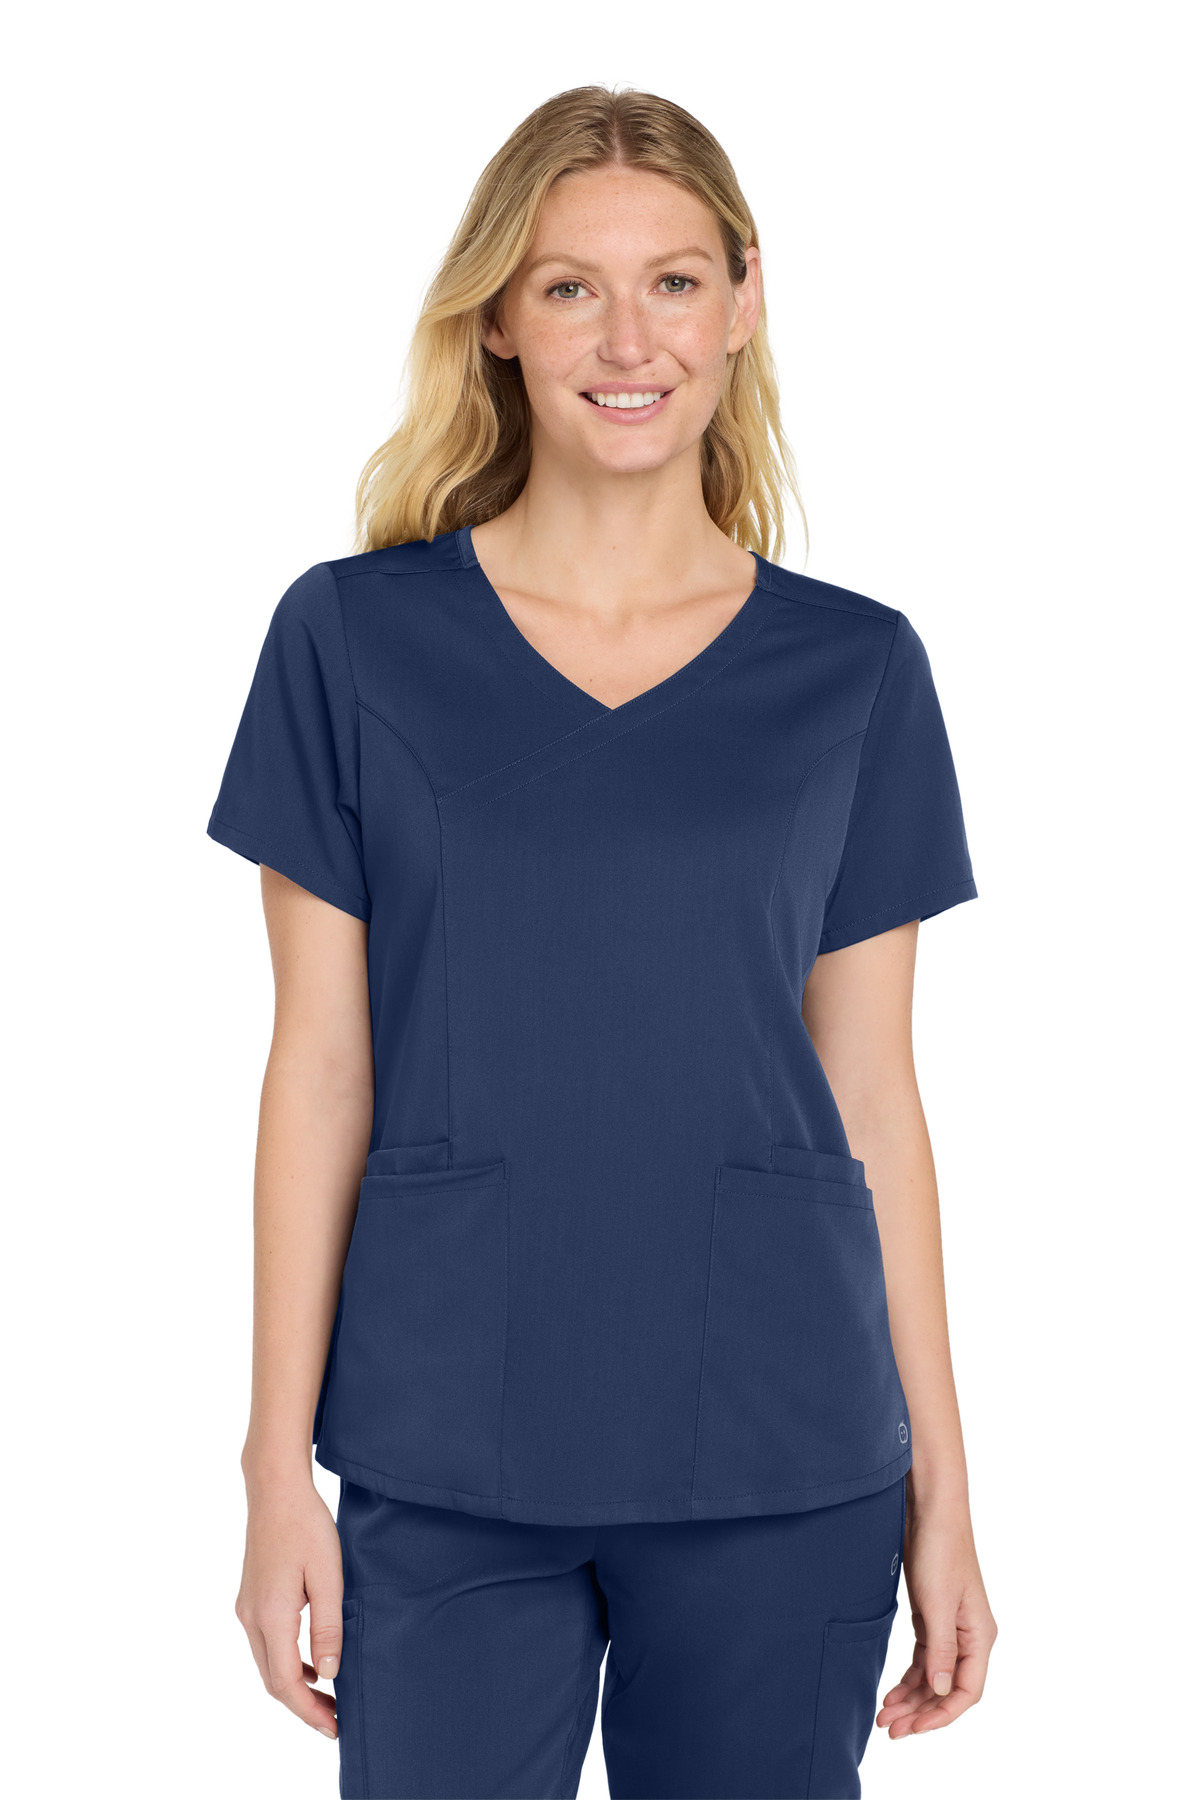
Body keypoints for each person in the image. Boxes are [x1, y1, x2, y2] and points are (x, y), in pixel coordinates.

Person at [207, 84, 997, 1800]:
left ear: (744, 302)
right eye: (570, 287)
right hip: (446, 1430)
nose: (629, 340)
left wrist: (946, 1489)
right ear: (497, 318)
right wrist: (274, 1472)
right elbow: (319, 1071)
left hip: (781, 1441)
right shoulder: (350, 644)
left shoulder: (856, 672)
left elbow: (874, 1096)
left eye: (675, 283)